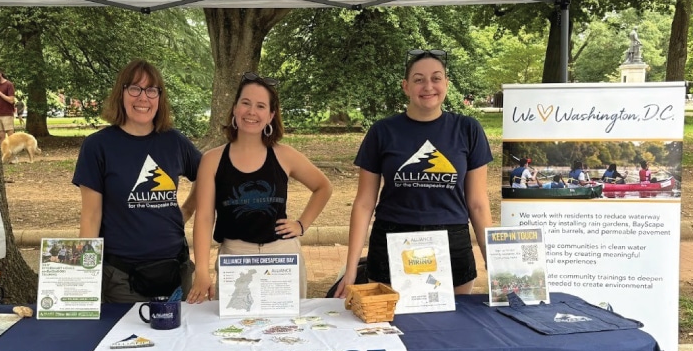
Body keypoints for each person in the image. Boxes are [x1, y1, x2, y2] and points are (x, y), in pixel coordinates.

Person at [335, 48, 493, 298]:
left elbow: (477, 203)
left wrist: (493, 262)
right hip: (392, 240)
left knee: (453, 329)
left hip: (451, 243)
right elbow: (364, 203)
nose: (428, 86)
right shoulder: (382, 131)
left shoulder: (468, 129)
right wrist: (351, 269)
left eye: (436, 78)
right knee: (389, 327)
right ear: (406, 86)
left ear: (447, 84)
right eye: (419, 79)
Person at [187, 73, 332, 303]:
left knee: (287, 332)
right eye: (246, 103)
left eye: (261, 106)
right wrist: (202, 272)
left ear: (271, 115)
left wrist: (301, 224)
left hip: (282, 256)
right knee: (234, 332)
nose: (251, 112)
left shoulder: (285, 156)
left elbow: (323, 187)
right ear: (235, 108)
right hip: (235, 256)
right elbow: (204, 218)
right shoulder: (212, 160)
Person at [73, 59, 201, 303]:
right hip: (122, 279)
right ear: (120, 93)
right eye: (135, 88)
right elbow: (90, 216)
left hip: (176, 273)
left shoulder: (174, 142)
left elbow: (207, 176)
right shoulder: (97, 147)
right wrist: (85, 279)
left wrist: (186, 209)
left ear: (159, 98)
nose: (143, 97)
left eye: (152, 90)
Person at [0, 68, 16, 141]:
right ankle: (4, 152)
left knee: (10, 136)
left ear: (0, 74)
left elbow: (11, 100)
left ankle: (12, 152)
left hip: (7, 114)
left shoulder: (9, 84)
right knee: (1, 137)